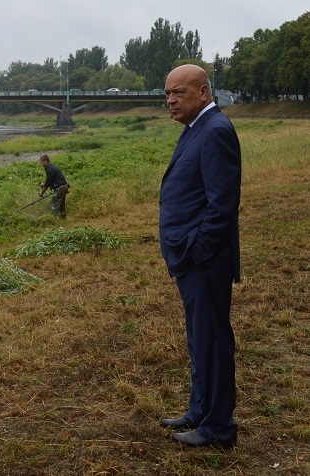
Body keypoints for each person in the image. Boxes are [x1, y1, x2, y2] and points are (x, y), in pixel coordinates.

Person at [158, 64, 241, 448]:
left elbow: (222, 206)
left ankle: (218, 427)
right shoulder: (197, 128)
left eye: (180, 93)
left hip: (203, 260)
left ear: (204, 93)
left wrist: (198, 251)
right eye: (168, 94)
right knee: (199, 338)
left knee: (212, 341)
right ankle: (199, 409)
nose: (171, 100)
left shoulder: (216, 131)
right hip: (191, 259)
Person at [38, 154, 69, 219]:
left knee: (53, 203)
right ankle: (62, 219)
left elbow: (48, 184)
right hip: (64, 187)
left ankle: (53, 220)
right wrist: (44, 184)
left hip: (60, 188)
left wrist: (41, 193)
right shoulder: (52, 167)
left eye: (41, 162)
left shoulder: (50, 169)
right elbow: (51, 181)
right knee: (61, 205)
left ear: (45, 161)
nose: (41, 164)